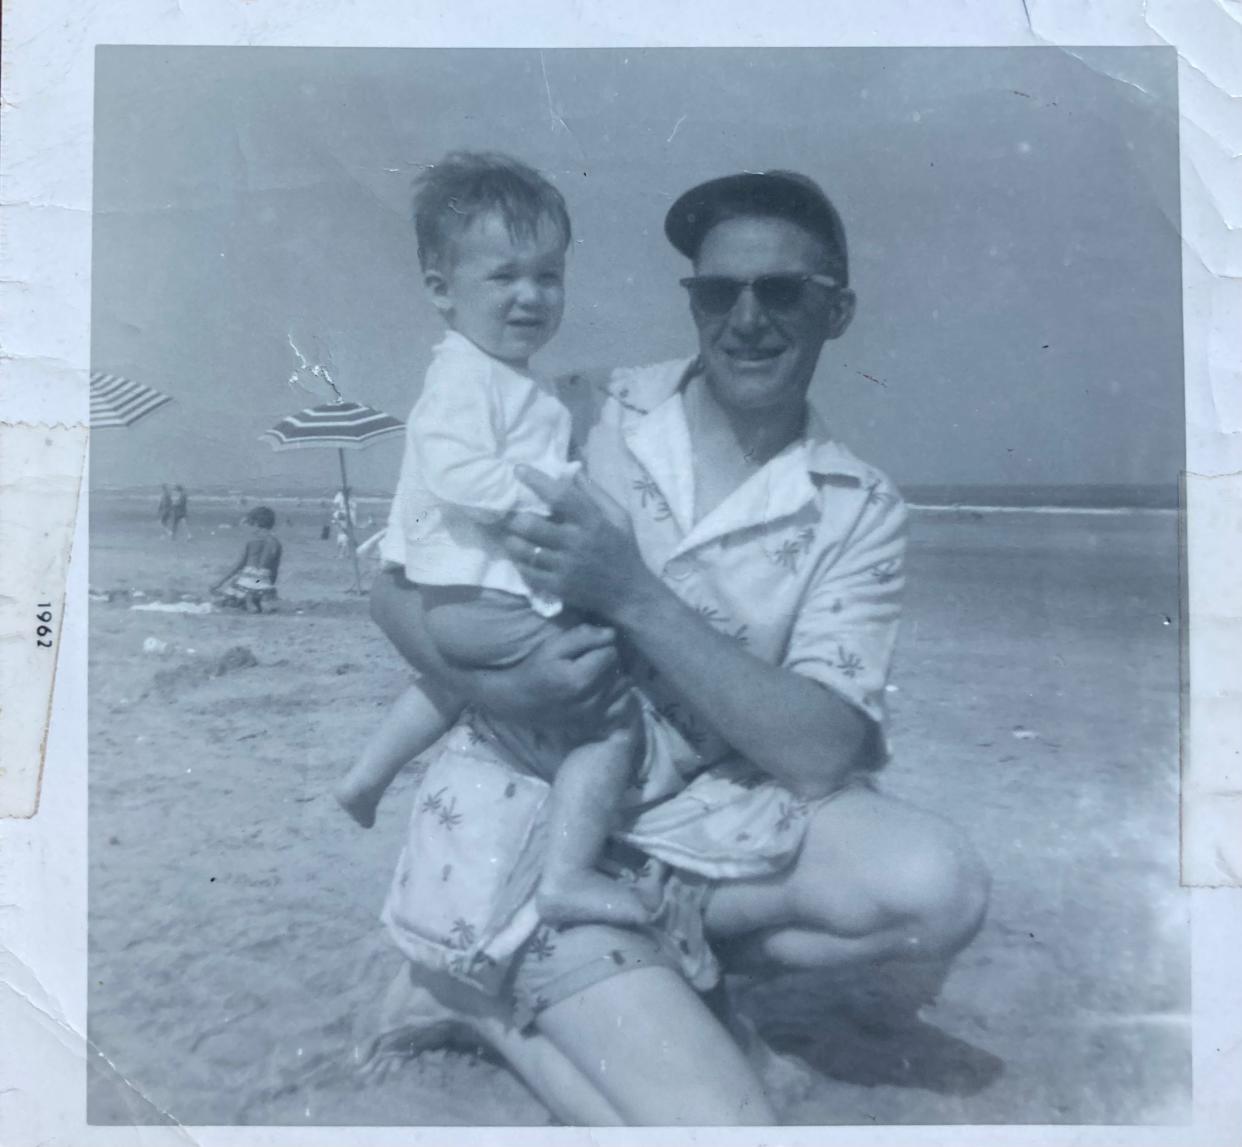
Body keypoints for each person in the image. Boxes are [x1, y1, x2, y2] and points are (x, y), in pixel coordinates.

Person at [366, 170, 991, 1126]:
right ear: (693, 301)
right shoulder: (583, 408)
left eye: (781, 291)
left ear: (839, 311)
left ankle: (654, 949)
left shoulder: (855, 505)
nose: (746, 318)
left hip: (692, 828)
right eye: (717, 291)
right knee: (726, 1126)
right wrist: (509, 683)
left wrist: (631, 592)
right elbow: (389, 578)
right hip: (531, 814)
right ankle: (466, 991)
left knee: (938, 890)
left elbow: (823, 751)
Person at [335, 151, 654, 929]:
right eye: (504, 277)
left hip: (458, 601)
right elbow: (451, 468)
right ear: (442, 291)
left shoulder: (512, 381)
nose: (530, 297)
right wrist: (534, 507)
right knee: (613, 721)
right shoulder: (464, 376)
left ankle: (367, 777)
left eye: (548, 277)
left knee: (450, 684)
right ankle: (569, 874)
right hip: (487, 594)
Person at [211, 506, 282, 612]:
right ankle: (257, 599)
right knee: (259, 585)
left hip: (246, 580)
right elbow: (274, 569)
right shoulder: (276, 544)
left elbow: (239, 565)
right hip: (261, 580)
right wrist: (269, 585)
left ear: (256, 523)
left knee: (235, 590)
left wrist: (219, 582)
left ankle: (249, 599)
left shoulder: (252, 541)